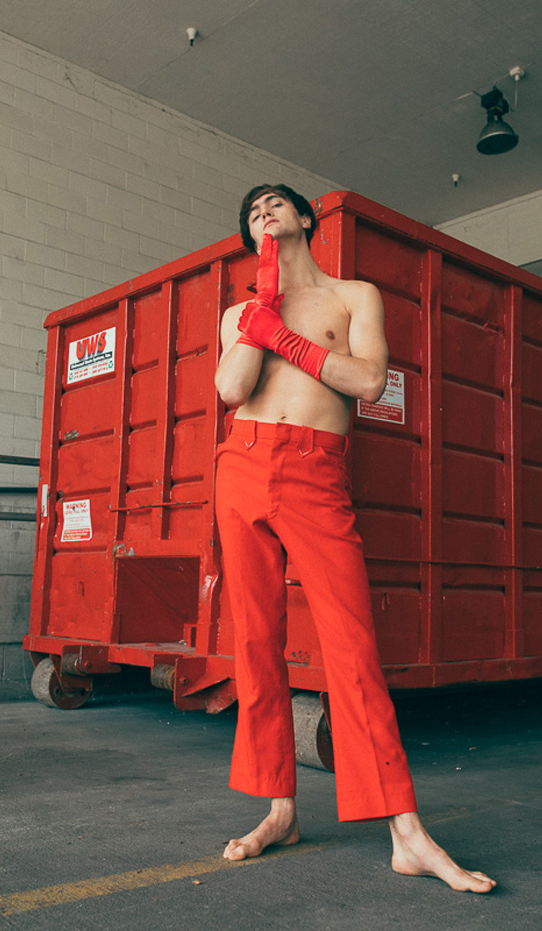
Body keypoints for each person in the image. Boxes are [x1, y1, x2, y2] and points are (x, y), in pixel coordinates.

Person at [214, 183, 496, 893]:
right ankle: (280, 810)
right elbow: (231, 389)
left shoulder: (353, 296)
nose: (264, 212)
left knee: (351, 647)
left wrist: (285, 338)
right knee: (255, 640)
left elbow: (369, 382)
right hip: (242, 463)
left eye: (275, 203)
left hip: (316, 469)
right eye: (253, 212)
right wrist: (261, 317)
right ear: (249, 236)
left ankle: (406, 831)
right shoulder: (238, 314)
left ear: (306, 217)